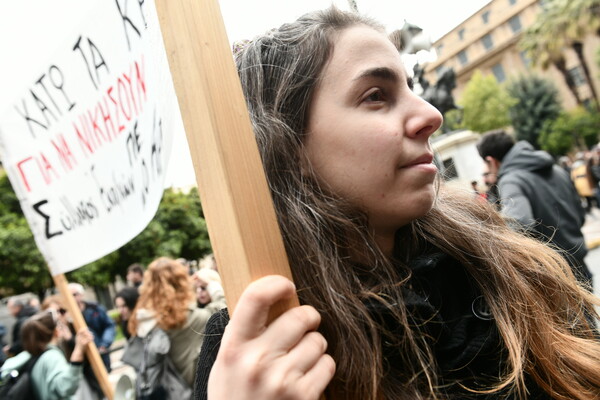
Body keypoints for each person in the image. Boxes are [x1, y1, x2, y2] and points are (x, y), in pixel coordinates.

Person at [193, 7, 600, 400]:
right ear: (288, 146)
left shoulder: (511, 265)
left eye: (410, 88)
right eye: (376, 96)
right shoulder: (249, 350)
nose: (430, 115)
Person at [477, 130, 593, 289]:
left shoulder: (511, 180)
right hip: (580, 261)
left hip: (553, 274)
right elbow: (580, 212)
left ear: (491, 160)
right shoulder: (556, 170)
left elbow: (518, 224)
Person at [128, 257, 226, 391]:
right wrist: (211, 284)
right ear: (181, 283)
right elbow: (222, 310)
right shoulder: (183, 319)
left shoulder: (143, 318)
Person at [1, 311, 94, 400]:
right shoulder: (51, 357)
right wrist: (78, 350)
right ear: (56, 331)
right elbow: (65, 387)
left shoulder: (29, 355)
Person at [68, 283, 116, 372]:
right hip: (84, 359)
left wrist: (104, 344)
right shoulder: (67, 315)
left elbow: (109, 325)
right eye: (69, 295)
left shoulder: (94, 308)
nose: (72, 298)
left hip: (101, 352)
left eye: (74, 294)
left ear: (81, 294)